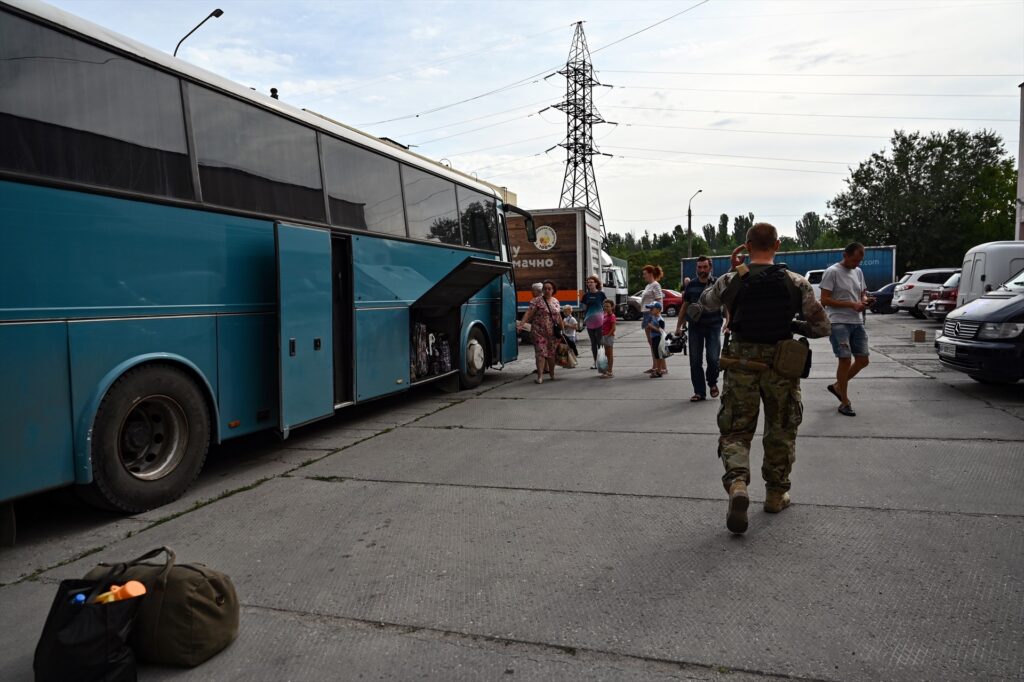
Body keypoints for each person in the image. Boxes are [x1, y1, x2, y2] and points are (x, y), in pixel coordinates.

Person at [699, 223, 831, 534]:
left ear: (745, 246)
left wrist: (735, 272)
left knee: (735, 431)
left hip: (741, 364)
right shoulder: (796, 283)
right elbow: (822, 327)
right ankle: (775, 494)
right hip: (780, 367)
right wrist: (793, 324)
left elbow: (706, 302)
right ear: (778, 245)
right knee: (781, 429)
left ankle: (738, 484)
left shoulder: (733, 279)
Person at [820, 242, 871, 417]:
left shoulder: (858, 272)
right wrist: (852, 304)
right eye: (854, 260)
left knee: (863, 360)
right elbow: (824, 300)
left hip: (857, 321)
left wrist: (865, 300)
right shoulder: (832, 272)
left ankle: (837, 386)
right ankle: (844, 401)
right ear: (845, 255)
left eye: (860, 261)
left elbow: (862, 291)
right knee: (845, 359)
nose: (857, 264)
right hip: (838, 321)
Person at [677, 255, 723, 402]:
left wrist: (729, 322)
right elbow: (685, 306)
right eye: (699, 267)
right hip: (695, 327)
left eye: (704, 267)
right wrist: (679, 325)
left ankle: (712, 382)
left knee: (713, 358)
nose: (701, 270)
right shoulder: (691, 285)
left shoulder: (717, 283)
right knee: (695, 360)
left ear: (710, 268)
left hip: (714, 325)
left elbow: (726, 303)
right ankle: (699, 391)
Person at [519, 280, 561, 384]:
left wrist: (562, 329)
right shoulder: (536, 301)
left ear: (553, 290)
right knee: (540, 353)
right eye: (545, 289)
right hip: (539, 331)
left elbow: (558, 316)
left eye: (549, 289)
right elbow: (528, 313)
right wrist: (522, 324)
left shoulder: (556, 301)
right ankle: (540, 376)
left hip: (552, 332)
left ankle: (552, 374)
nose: (547, 291)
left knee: (551, 354)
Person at [639, 265, 665, 374]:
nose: (643, 275)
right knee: (651, 342)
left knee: (657, 342)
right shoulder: (648, 285)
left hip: (651, 315)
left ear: (650, 274)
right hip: (646, 315)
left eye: (645, 273)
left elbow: (659, 302)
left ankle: (662, 367)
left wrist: (655, 316)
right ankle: (655, 365)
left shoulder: (655, 285)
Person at [579, 275, 607, 369]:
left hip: (600, 321)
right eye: (588, 282)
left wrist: (607, 317)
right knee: (593, 342)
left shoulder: (601, 294)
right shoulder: (586, 295)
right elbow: (583, 308)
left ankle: (602, 362)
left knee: (600, 342)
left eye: (591, 282)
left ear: (596, 283)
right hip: (589, 321)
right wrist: (582, 305)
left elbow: (607, 306)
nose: (589, 283)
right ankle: (595, 362)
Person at [645, 301, 667, 377]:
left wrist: (652, 327)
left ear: (658, 309)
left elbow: (661, 330)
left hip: (659, 338)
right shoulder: (653, 317)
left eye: (652, 308)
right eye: (650, 309)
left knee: (659, 355)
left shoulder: (660, 319)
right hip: (654, 338)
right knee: (656, 355)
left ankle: (659, 371)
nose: (650, 310)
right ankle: (658, 369)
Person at [599, 298, 617, 378]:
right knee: (606, 354)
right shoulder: (605, 315)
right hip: (604, 336)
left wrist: (607, 336)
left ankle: (610, 372)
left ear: (612, 307)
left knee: (610, 355)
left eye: (608, 306)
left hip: (609, 337)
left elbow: (613, 328)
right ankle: (606, 370)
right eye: (604, 306)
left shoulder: (612, 316)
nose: (606, 308)